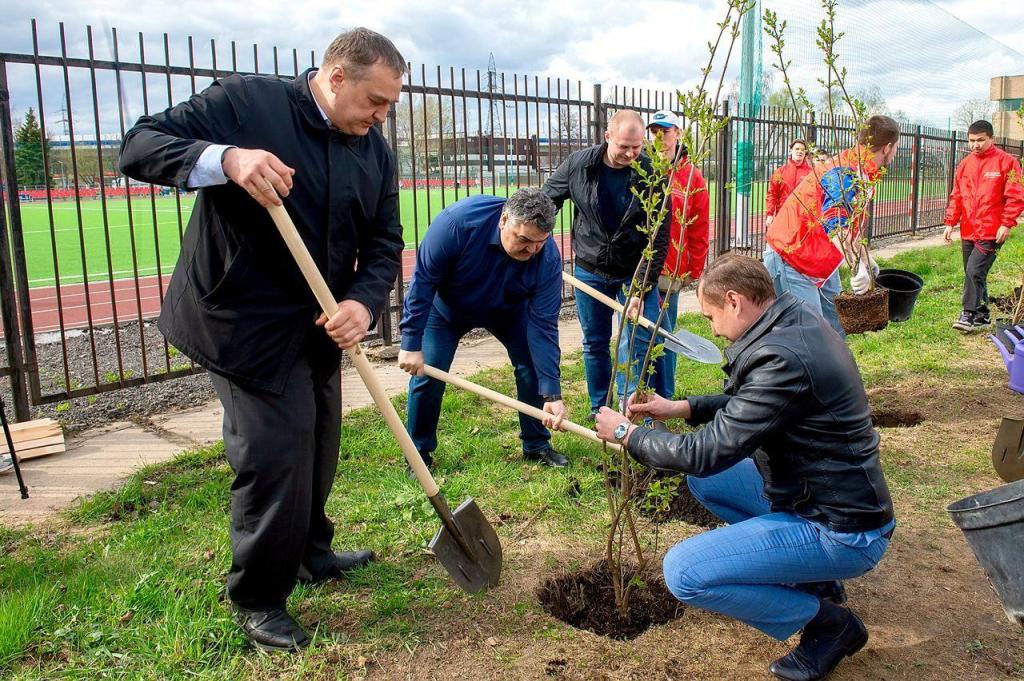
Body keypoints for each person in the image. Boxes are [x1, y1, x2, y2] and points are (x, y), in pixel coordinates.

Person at [118, 28, 406, 652]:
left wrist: (363, 300)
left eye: (389, 106)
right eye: (376, 102)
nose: (382, 117)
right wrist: (226, 159)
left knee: (321, 442)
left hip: (320, 324)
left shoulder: (374, 150)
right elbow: (138, 144)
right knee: (275, 453)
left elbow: (385, 242)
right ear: (335, 79)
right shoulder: (249, 105)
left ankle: (310, 552)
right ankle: (258, 597)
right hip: (240, 323)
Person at [594, 254, 894, 681]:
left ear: (734, 301)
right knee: (708, 481)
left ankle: (828, 625)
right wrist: (681, 407)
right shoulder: (793, 320)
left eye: (711, 315)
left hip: (841, 530)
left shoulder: (781, 358)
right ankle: (815, 578)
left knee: (684, 572)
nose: (712, 328)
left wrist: (627, 434)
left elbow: (704, 452)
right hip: (817, 495)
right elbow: (755, 403)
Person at [397, 189, 569, 469]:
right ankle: (419, 455)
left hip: (509, 312)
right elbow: (423, 282)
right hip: (446, 311)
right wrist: (410, 342)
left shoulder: (547, 258)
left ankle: (536, 444)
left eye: (539, 242)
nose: (531, 250)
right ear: (504, 220)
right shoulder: (456, 225)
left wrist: (552, 393)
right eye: (524, 240)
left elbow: (544, 326)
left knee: (531, 366)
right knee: (429, 372)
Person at [543, 110, 670, 418]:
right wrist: (537, 244)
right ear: (608, 136)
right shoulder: (580, 165)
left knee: (638, 341)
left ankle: (630, 409)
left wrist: (642, 287)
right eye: (624, 146)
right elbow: (547, 200)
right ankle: (599, 407)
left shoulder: (653, 176)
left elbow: (659, 238)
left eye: (636, 147)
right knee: (595, 343)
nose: (630, 153)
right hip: (590, 270)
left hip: (633, 273)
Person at [763, 115, 901, 336]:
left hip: (818, 258)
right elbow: (835, 222)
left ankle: (837, 370)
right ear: (887, 147)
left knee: (835, 325)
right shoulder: (843, 171)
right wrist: (857, 268)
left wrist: (865, 257)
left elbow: (850, 222)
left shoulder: (863, 173)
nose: (895, 154)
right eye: (896, 149)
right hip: (791, 257)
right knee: (810, 332)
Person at [615, 110, 709, 400]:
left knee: (664, 335)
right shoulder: (641, 170)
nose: (659, 138)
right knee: (630, 331)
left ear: (677, 133)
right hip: (638, 267)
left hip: (670, 270)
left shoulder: (691, 178)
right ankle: (627, 394)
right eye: (654, 132)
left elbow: (699, 227)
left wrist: (692, 268)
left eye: (665, 131)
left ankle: (663, 396)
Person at [943, 119, 1024, 331]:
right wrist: (951, 222)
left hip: (992, 230)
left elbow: (1015, 196)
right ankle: (982, 314)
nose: (975, 145)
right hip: (969, 229)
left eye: (980, 140)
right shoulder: (965, 164)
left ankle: (968, 315)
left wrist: (1006, 224)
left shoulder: (1007, 162)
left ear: (992, 139)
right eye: (971, 141)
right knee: (973, 272)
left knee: (974, 271)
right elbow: (957, 195)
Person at [765, 139, 813, 227]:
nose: (800, 151)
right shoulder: (780, 172)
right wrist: (770, 214)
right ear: (791, 150)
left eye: (802, 150)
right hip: (784, 215)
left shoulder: (811, 173)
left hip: (804, 218)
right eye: (797, 149)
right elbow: (772, 194)